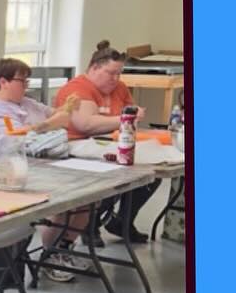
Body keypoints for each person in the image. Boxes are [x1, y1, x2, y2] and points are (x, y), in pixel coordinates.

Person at [0, 57, 84, 284]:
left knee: (86, 200)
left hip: (49, 165)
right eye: (22, 81)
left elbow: (56, 116)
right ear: (3, 82)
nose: (26, 86)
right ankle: (51, 254)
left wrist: (66, 109)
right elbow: (23, 143)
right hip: (17, 175)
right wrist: (50, 126)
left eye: (27, 81)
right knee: (71, 198)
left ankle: (61, 248)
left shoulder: (27, 103)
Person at [55, 42, 159, 242]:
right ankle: (91, 223)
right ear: (94, 68)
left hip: (109, 142)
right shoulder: (78, 89)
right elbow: (86, 124)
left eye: (119, 73)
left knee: (151, 173)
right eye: (111, 73)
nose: (116, 79)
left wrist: (129, 116)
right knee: (117, 171)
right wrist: (124, 118)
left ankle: (123, 220)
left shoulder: (119, 88)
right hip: (76, 145)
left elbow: (130, 110)